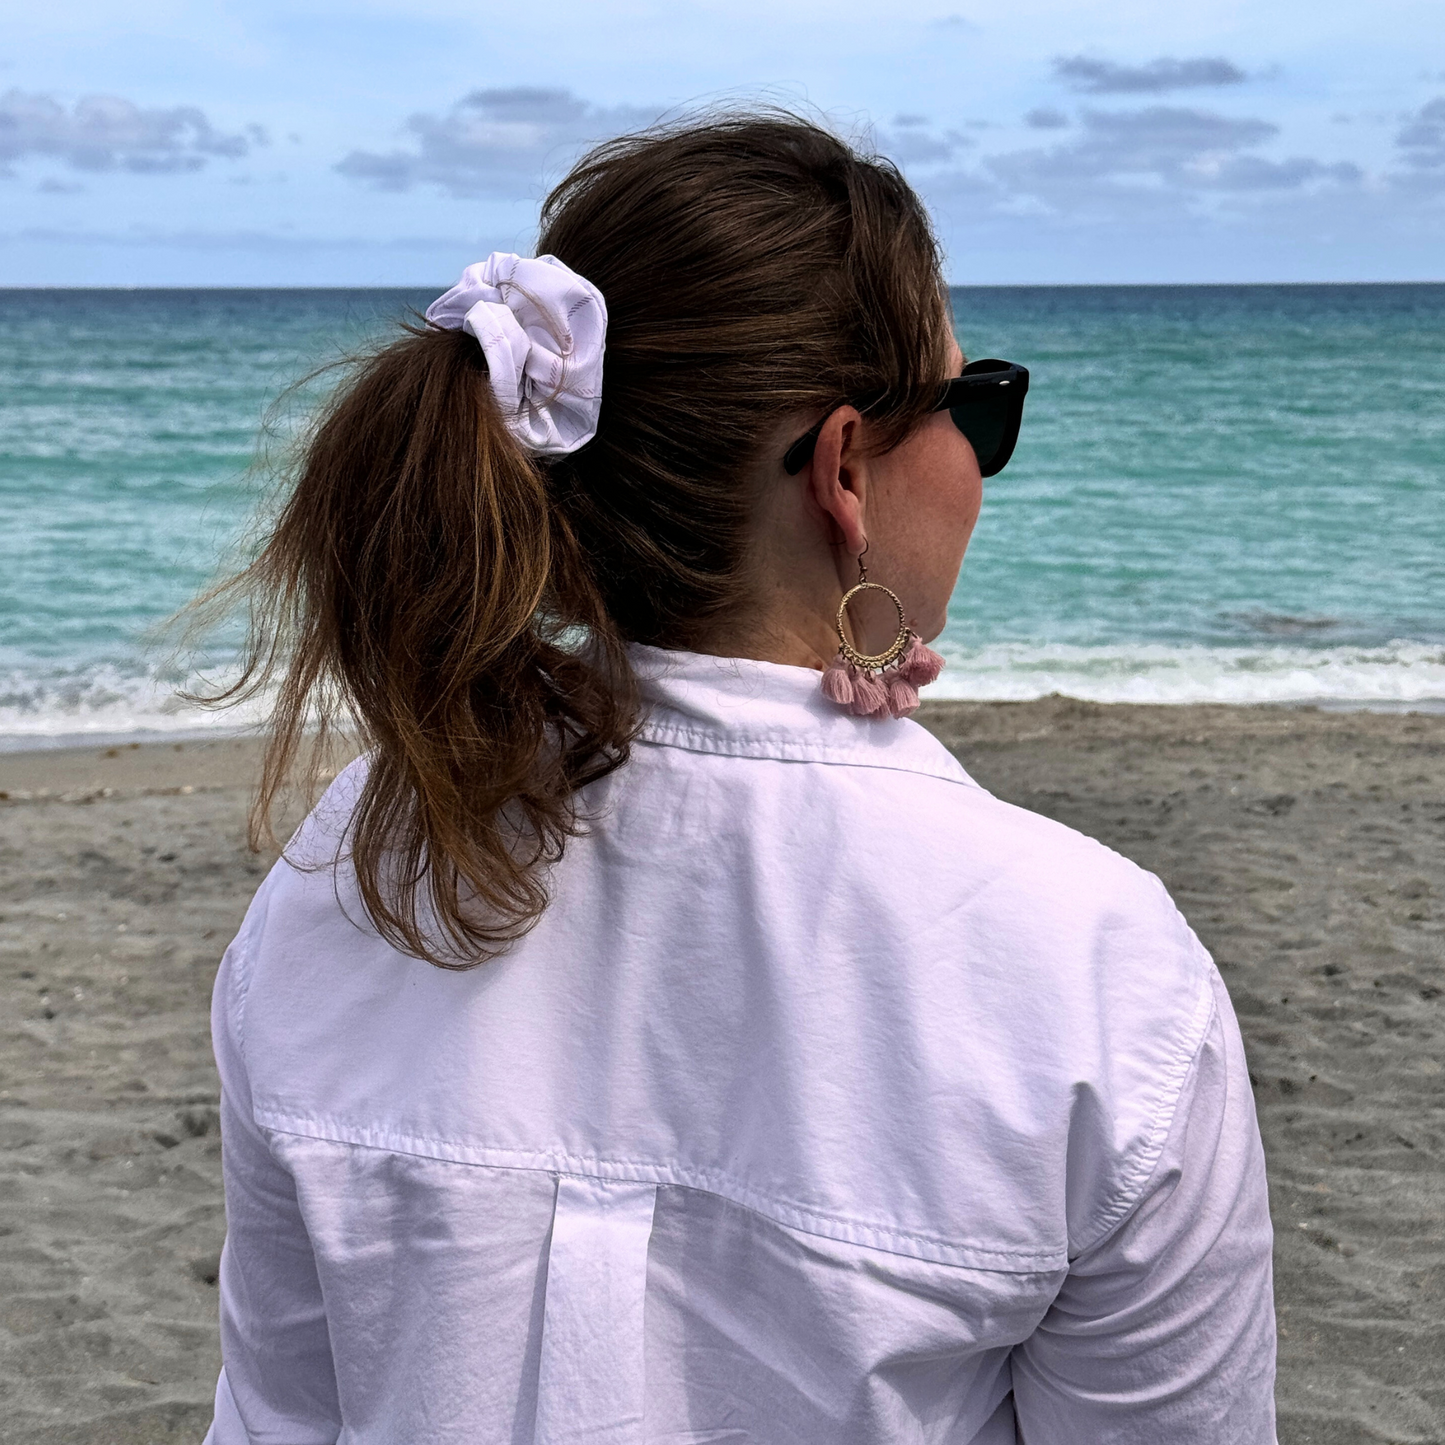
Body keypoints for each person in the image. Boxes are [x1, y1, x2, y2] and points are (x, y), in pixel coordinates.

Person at [200, 113, 1276, 1444]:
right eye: (974, 407)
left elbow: (279, 1415)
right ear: (842, 468)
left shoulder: (353, 866)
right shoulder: (1097, 969)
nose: (980, 464)